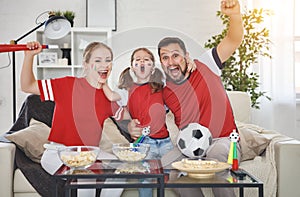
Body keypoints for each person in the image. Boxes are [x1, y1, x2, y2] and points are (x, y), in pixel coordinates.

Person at [128, 0, 244, 196]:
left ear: (186, 56)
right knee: (168, 169)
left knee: (217, 157)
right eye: (165, 57)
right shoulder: (163, 90)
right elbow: (142, 108)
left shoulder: (207, 64)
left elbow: (233, 40)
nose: (171, 62)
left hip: (221, 140)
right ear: (161, 63)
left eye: (176, 56)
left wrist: (234, 15)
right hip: (190, 146)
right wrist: (130, 125)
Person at [20, 41, 120, 196]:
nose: (104, 65)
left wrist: (136, 125)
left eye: (108, 60)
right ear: (86, 65)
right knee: (86, 176)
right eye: (98, 60)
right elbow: (27, 86)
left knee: (124, 169)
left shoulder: (108, 98)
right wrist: (29, 57)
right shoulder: (67, 85)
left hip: (90, 154)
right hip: (58, 153)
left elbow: (129, 118)